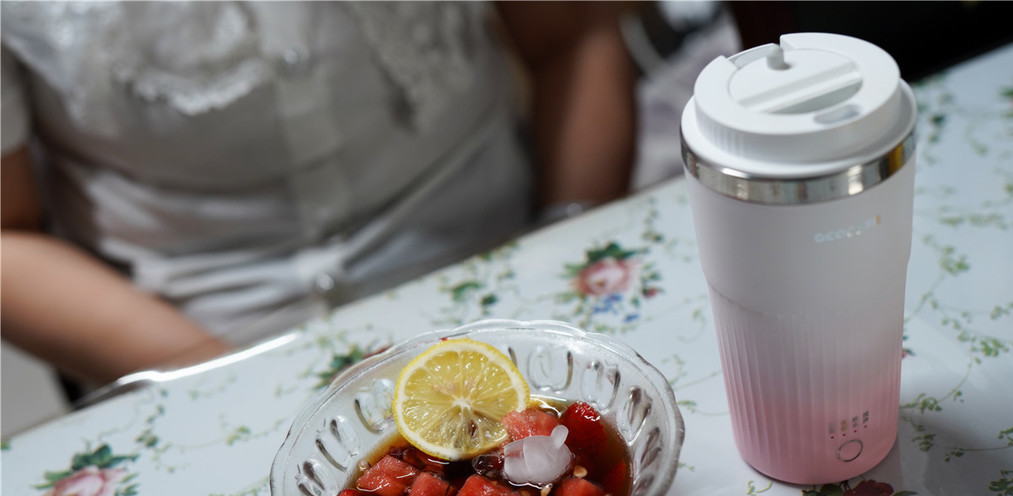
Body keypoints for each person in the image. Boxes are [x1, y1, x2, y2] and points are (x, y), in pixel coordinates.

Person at [0, 1, 636, 390]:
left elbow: (574, 40)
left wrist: (569, 255)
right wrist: (231, 384)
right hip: (192, 343)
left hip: (509, 261)